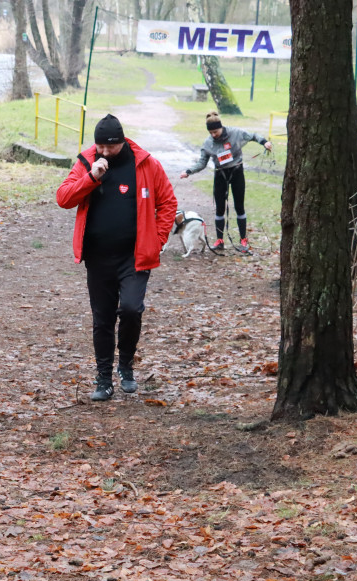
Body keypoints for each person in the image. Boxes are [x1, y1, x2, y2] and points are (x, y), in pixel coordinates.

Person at [56, 114, 177, 401]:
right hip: (98, 258)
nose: (106, 153)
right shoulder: (87, 162)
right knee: (103, 318)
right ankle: (103, 379)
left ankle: (125, 366)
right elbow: (63, 198)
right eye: (101, 147)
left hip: (134, 257)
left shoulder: (146, 164)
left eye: (111, 147)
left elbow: (168, 202)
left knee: (132, 310)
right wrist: (91, 177)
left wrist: (158, 240)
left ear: (122, 142)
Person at [179, 111, 272, 253]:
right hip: (220, 175)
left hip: (236, 173)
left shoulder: (235, 133)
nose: (213, 135)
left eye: (215, 131)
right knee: (220, 209)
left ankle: (243, 240)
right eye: (210, 132)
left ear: (221, 127)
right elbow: (202, 162)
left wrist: (265, 142)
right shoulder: (208, 143)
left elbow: (253, 136)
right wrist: (188, 171)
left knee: (239, 207)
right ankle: (220, 241)